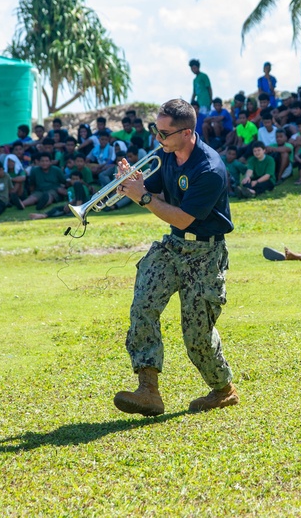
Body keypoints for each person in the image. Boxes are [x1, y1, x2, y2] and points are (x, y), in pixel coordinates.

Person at [112, 99, 238, 416]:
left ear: (187, 132)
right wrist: (127, 184)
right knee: (143, 305)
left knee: (197, 336)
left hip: (205, 253)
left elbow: (182, 218)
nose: (158, 138)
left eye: (164, 133)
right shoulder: (168, 155)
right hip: (173, 247)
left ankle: (223, 389)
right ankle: (148, 390)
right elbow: (150, 190)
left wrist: (140, 195)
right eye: (156, 130)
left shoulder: (209, 169)